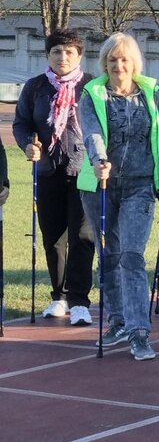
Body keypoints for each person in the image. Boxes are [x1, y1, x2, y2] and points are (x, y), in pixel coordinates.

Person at [78, 33, 159, 361]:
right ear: (105, 63)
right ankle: (117, 319)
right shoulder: (92, 94)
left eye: (124, 60)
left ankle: (138, 330)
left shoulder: (151, 94)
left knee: (131, 256)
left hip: (140, 184)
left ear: (135, 63)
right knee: (108, 256)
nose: (119, 66)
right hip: (100, 185)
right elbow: (91, 131)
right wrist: (99, 159)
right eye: (112, 60)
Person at [12, 29, 96, 325]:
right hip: (48, 171)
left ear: (79, 56)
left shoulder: (92, 87)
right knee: (53, 237)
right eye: (57, 52)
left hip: (84, 170)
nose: (63, 57)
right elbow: (21, 123)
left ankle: (80, 300)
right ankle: (58, 296)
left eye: (69, 52)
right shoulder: (36, 87)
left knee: (83, 236)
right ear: (48, 55)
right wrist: (27, 145)